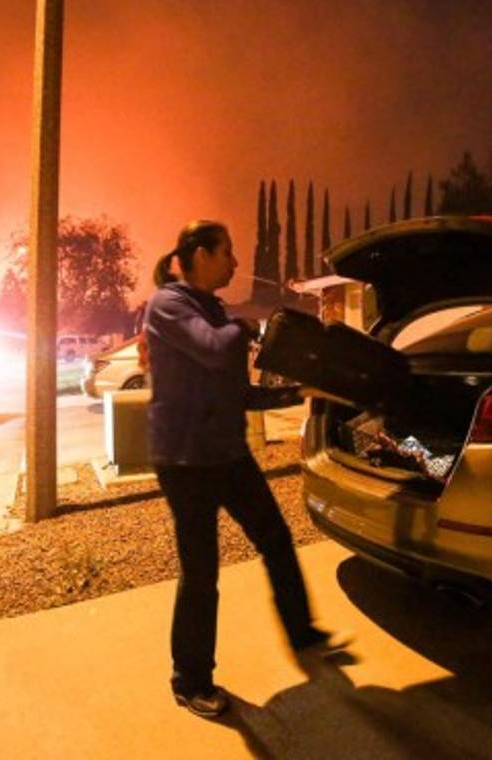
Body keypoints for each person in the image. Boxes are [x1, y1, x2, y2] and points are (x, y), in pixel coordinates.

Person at [144, 219, 350, 718]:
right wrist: (247, 326)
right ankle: (190, 680)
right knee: (201, 572)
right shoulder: (168, 304)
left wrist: (299, 392)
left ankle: (303, 633)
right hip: (186, 461)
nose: (235, 263)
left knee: (276, 539)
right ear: (199, 254)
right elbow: (216, 350)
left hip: (227, 454)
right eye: (227, 253)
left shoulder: (214, 311)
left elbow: (238, 393)